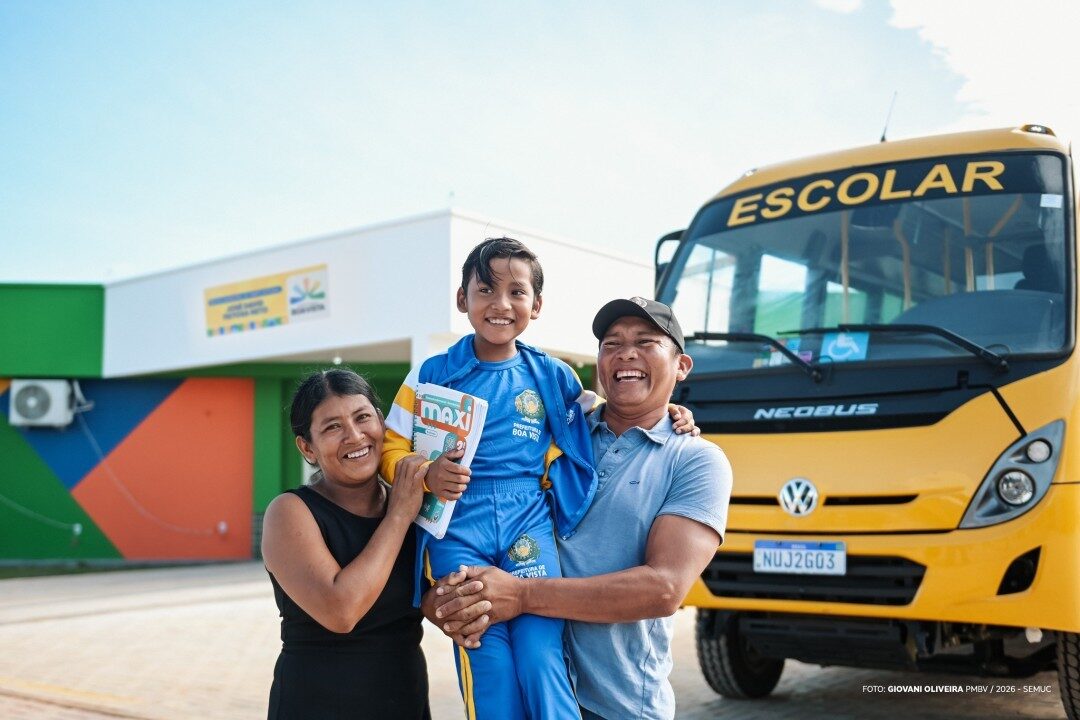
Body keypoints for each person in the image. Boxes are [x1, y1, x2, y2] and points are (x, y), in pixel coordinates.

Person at [379, 238, 699, 720]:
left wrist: (670, 408)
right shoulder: (429, 375)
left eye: (517, 292)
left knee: (540, 652)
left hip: (528, 522)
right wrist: (425, 475)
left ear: (537, 305)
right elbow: (390, 448)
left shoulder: (555, 376)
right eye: (485, 289)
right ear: (462, 299)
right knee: (486, 654)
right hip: (456, 528)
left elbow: (605, 411)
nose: (501, 304)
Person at [427, 297, 733, 720]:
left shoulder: (696, 461)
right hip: (521, 693)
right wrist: (454, 603)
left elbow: (663, 589)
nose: (626, 352)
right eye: (612, 343)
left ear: (681, 366)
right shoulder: (560, 433)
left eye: (646, 342)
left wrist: (521, 596)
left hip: (616, 707)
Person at [262, 369, 431, 720]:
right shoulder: (290, 512)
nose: (355, 436)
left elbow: (433, 598)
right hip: (316, 705)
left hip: (405, 701)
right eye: (332, 427)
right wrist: (398, 516)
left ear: (382, 423)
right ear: (307, 447)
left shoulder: (414, 504)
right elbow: (341, 611)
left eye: (363, 417)